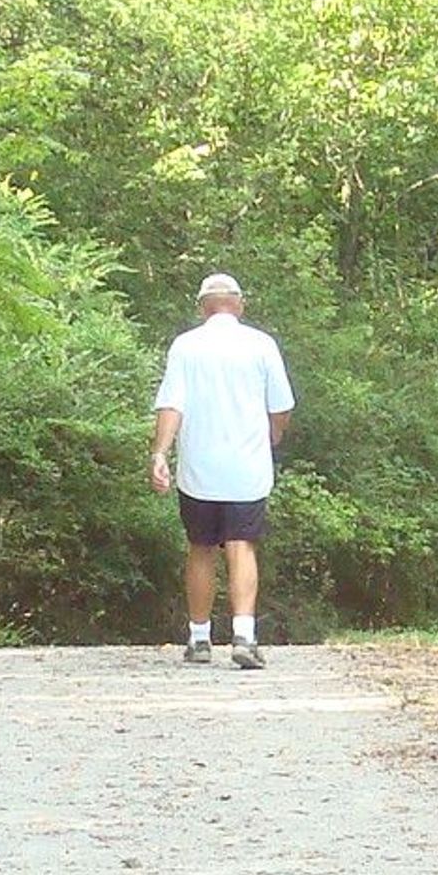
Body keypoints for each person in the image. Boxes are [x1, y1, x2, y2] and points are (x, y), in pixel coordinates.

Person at [149, 272, 295, 669]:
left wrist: (160, 453)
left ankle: (199, 639)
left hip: (199, 467)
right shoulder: (262, 345)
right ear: (240, 304)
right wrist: (272, 435)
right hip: (246, 466)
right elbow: (281, 405)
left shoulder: (186, 346)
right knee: (241, 545)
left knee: (200, 548)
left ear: (202, 307)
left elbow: (171, 404)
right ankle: (244, 636)